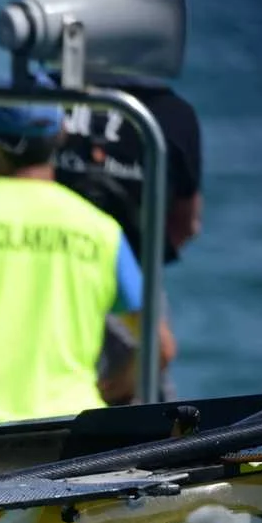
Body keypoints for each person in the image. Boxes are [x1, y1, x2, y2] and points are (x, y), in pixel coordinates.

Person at [0, 86, 170, 423]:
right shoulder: (101, 230)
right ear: (61, 136)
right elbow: (160, 346)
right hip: (70, 425)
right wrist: (113, 388)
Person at [53, 78, 200, 405]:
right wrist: (134, 270)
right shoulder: (173, 114)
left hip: (48, 279)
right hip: (135, 281)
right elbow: (187, 223)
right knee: (144, 407)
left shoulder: (45, 94)